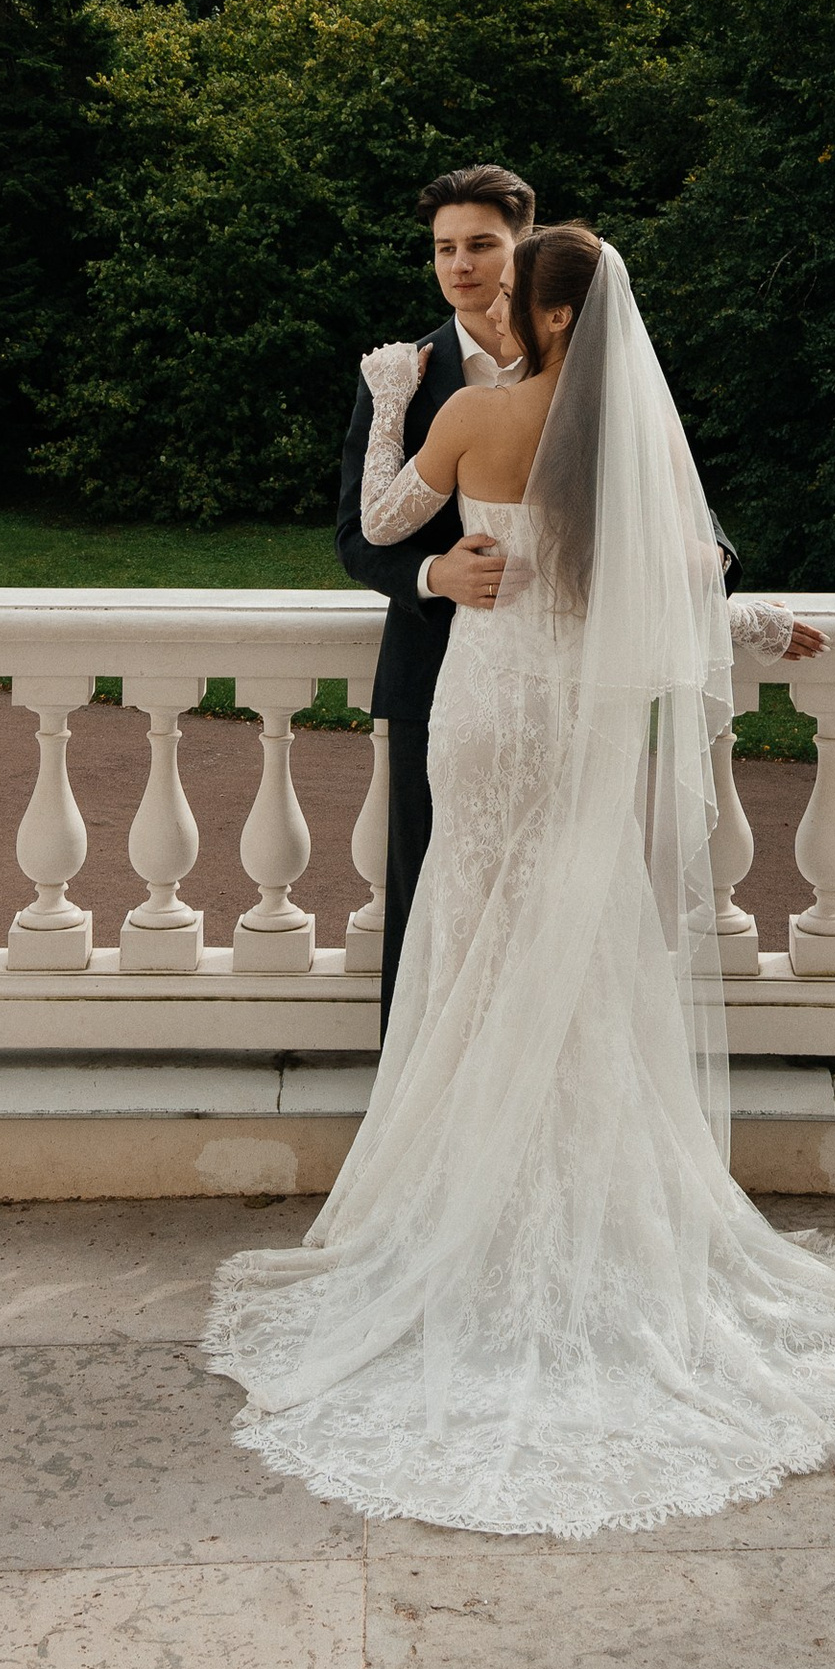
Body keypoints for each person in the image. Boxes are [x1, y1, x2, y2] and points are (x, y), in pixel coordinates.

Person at [210, 222, 835, 1538]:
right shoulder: (626, 446)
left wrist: (389, 404)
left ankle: (461, 1222)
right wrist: (760, 621)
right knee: (582, 947)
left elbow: (380, 523)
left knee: (475, 943)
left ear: (540, 315)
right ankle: (587, 1222)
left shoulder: (474, 416)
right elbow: (669, 595)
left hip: (484, 717)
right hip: (576, 728)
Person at [334, 163, 537, 1025]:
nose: (460, 264)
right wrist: (433, 576)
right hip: (433, 675)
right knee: (427, 890)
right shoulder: (400, 375)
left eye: (481, 244)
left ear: (523, 246)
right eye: (444, 248)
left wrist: (717, 574)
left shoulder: (581, 361)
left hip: (557, 677)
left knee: (550, 884)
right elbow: (355, 536)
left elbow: (671, 496)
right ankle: (415, 1082)